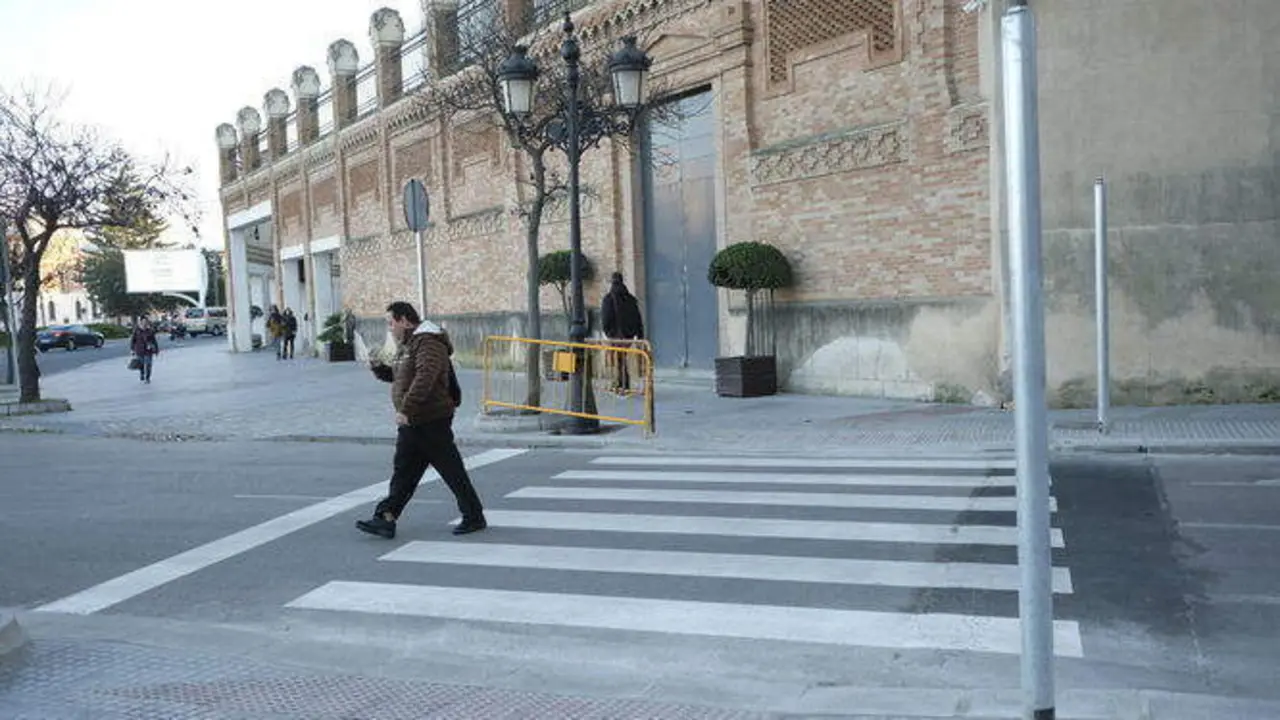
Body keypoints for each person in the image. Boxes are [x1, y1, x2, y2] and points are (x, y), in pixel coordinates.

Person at [357, 301, 485, 539]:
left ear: (405, 320)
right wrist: (378, 368)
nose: (390, 328)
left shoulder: (428, 342)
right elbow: (401, 377)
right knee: (406, 471)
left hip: (429, 418)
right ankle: (386, 517)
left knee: (448, 470)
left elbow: (426, 377)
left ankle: (473, 515)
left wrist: (406, 408)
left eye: (391, 322)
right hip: (416, 420)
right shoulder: (410, 344)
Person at [600, 272, 644, 392]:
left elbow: (605, 318)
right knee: (622, 359)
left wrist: (608, 332)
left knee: (618, 360)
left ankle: (621, 383)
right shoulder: (630, 299)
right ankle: (623, 382)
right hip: (629, 335)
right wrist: (639, 335)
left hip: (615, 336)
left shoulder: (608, 298)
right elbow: (638, 318)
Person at [130, 317, 159, 384]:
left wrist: (156, 350)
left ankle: (147, 378)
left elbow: (154, 341)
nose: (144, 323)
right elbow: (133, 340)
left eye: (145, 322)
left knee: (148, 364)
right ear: (140, 322)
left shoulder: (150, 331)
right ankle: (142, 374)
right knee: (141, 364)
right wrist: (132, 349)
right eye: (143, 322)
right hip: (139, 350)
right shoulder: (137, 331)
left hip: (148, 350)